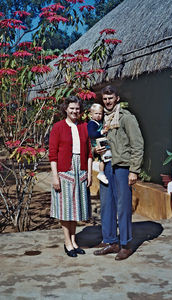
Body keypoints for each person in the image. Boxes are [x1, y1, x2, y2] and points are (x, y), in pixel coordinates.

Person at [93, 85, 144, 260]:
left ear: (117, 99)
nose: (107, 101)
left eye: (110, 98)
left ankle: (126, 244)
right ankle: (111, 242)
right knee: (106, 205)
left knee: (123, 207)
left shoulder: (126, 118)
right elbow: (95, 142)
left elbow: (137, 144)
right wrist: (96, 152)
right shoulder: (101, 120)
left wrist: (134, 170)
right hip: (106, 167)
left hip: (122, 168)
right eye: (105, 98)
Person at [49, 96, 93, 258]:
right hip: (64, 171)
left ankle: (74, 241)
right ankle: (67, 242)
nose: (75, 111)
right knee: (66, 209)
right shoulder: (58, 127)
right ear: (66, 109)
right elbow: (52, 154)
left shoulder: (84, 126)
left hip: (80, 170)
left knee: (76, 208)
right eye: (72, 108)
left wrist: (89, 173)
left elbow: (89, 152)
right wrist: (55, 177)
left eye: (78, 109)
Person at [87, 103, 111, 185]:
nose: (98, 115)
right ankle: (101, 173)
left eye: (100, 113)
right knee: (103, 159)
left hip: (101, 142)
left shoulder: (99, 122)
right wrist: (102, 132)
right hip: (96, 144)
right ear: (91, 114)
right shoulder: (91, 123)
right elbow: (91, 134)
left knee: (104, 158)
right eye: (96, 113)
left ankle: (101, 173)